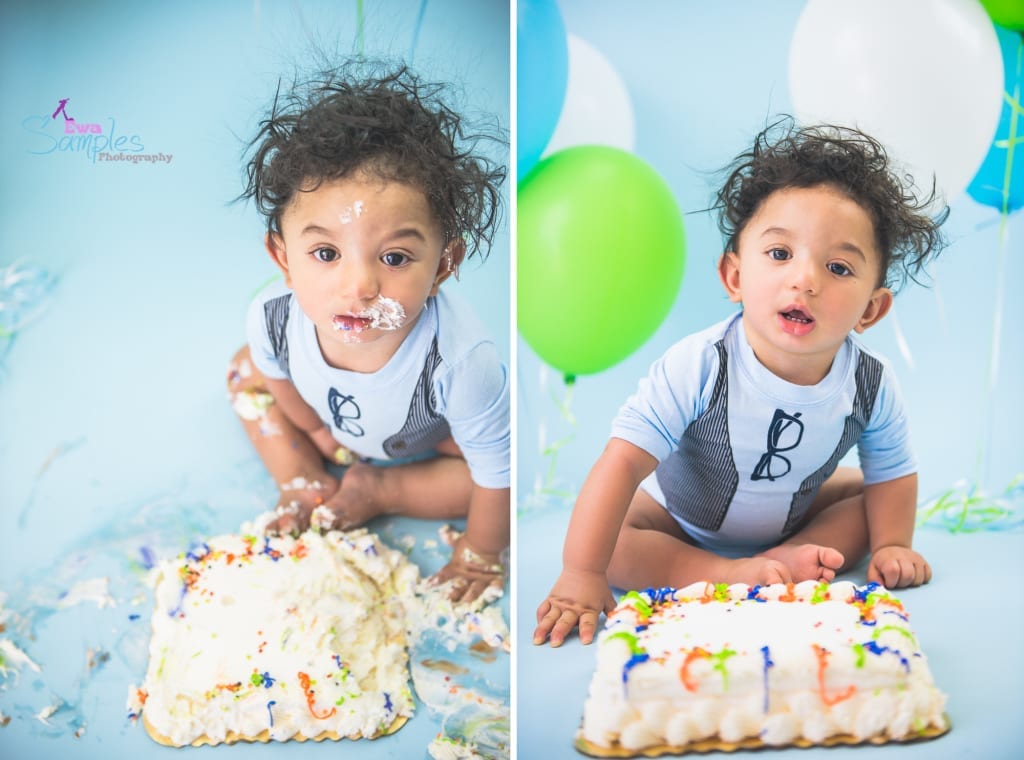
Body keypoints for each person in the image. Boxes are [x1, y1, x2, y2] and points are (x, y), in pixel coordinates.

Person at [534, 119, 949, 646]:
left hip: (792, 517)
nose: (805, 280)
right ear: (734, 277)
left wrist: (892, 543)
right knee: (611, 547)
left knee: (879, 498)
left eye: (839, 267)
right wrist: (580, 576)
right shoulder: (701, 364)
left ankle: (790, 558)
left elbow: (893, 469)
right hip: (678, 519)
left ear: (872, 308)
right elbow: (621, 463)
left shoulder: (870, 382)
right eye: (780, 254)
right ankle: (727, 574)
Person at [227, 63, 509, 603]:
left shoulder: (460, 362)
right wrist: (314, 433)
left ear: (444, 265)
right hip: (332, 428)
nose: (359, 286)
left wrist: (481, 551)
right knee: (244, 371)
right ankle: (301, 479)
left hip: (428, 440)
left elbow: (497, 472)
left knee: (493, 481)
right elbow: (275, 376)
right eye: (326, 254)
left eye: (396, 257)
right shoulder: (273, 316)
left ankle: (382, 488)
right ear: (282, 258)